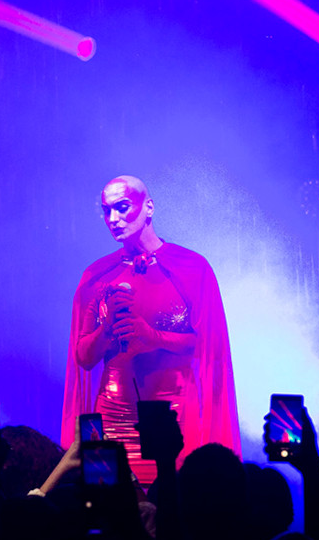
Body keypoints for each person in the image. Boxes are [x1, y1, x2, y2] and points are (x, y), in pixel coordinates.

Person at [62, 176, 239, 483]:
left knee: (174, 500)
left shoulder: (191, 268)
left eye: (122, 207)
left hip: (175, 416)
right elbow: (83, 359)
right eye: (106, 210)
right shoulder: (97, 275)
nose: (113, 219)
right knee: (111, 504)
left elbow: (208, 346)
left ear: (149, 208)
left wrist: (152, 337)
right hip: (113, 416)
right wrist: (106, 330)